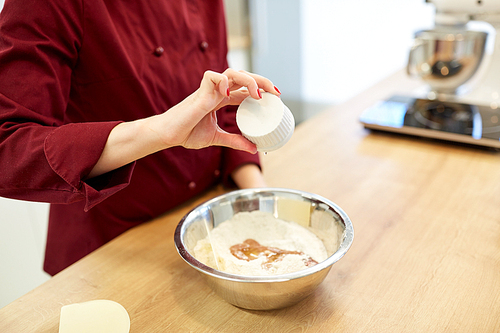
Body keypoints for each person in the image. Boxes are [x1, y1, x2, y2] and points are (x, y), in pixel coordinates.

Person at [0, 0, 280, 275]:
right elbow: (9, 145)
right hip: (113, 248)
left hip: (206, 219)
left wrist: (256, 197)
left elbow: (222, 98)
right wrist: (157, 131)